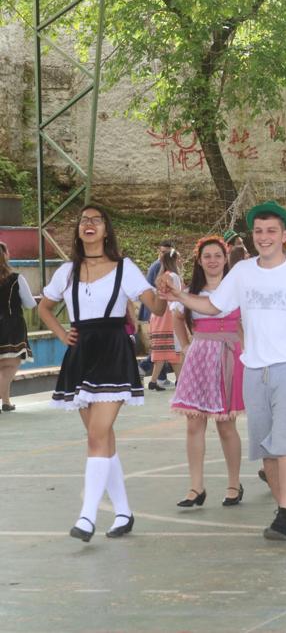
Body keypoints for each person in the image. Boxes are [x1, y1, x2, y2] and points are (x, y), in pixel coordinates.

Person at [163, 200, 286, 541]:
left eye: (271, 231)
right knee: (267, 449)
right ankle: (281, 508)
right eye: (258, 232)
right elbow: (212, 305)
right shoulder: (242, 272)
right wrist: (180, 294)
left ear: (284, 235)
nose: (264, 237)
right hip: (254, 370)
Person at [38, 205, 168, 541]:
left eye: (96, 220)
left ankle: (87, 516)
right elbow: (44, 306)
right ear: (79, 230)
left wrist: (164, 292)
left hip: (112, 352)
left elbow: (155, 306)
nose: (89, 224)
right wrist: (60, 332)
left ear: (106, 230)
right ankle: (123, 511)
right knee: (103, 439)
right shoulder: (66, 271)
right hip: (81, 353)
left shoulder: (125, 268)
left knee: (97, 435)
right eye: (84, 220)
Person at [169, 236, 245, 508]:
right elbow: (176, 317)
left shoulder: (238, 290)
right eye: (207, 256)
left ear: (226, 260)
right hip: (200, 358)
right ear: (200, 261)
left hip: (228, 357)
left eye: (217, 255)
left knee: (226, 425)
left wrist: (244, 355)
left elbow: (244, 326)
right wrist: (187, 345)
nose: (212, 261)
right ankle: (195, 487)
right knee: (194, 423)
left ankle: (234, 484)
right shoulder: (191, 292)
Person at [0, 242, 37, 412]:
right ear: (6, 255)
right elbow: (30, 304)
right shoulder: (16, 279)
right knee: (9, 366)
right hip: (11, 326)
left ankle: (6, 402)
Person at [148, 249, 182, 391]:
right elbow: (178, 296)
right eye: (179, 259)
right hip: (169, 314)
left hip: (158, 314)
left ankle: (154, 381)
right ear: (174, 261)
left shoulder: (163, 275)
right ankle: (180, 380)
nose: (181, 261)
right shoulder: (173, 275)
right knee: (174, 349)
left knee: (163, 349)